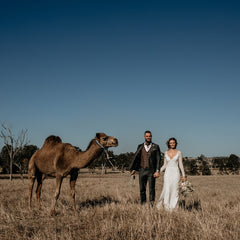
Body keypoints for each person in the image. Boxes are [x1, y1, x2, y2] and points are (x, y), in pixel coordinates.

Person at [129, 130, 162, 205]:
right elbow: (137, 159)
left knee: (151, 189)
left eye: (149, 136)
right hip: (142, 170)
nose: (148, 137)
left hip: (152, 171)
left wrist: (157, 171)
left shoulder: (155, 146)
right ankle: (143, 204)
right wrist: (134, 169)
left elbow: (158, 159)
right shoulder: (140, 146)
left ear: (151, 137)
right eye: (147, 136)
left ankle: (151, 205)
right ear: (144, 137)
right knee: (142, 189)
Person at [156, 137, 186, 211]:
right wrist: (158, 171)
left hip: (176, 173)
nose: (172, 144)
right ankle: (166, 207)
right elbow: (165, 165)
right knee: (167, 189)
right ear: (168, 144)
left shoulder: (179, 153)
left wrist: (184, 175)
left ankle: (174, 208)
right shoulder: (166, 153)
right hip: (167, 173)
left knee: (175, 190)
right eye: (171, 143)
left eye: (173, 143)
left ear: (175, 143)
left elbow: (181, 165)